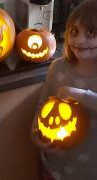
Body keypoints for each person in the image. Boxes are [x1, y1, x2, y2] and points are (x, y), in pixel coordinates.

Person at [31, 0, 97, 179]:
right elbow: (43, 105)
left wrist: (81, 95)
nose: (80, 40)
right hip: (53, 165)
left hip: (89, 171)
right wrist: (35, 132)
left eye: (91, 32)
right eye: (74, 32)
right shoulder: (57, 68)